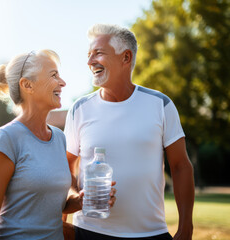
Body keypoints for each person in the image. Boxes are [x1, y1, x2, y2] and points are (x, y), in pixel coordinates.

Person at [64, 24, 195, 240]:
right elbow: (65, 169)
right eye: (88, 55)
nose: (89, 62)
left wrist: (186, 229)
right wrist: (76, 199)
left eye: (98, 53)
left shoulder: (160, 104)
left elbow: (181, 166)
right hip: (89, 232)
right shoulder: (79, 109)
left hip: (150, 233)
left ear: (126, 57)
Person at [0, 49, 80, 240]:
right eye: (54, 75)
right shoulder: (6, 138)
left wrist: (80, 201)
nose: (63, 82)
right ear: (27, 85)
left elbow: (51, 203)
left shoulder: (59, 138)